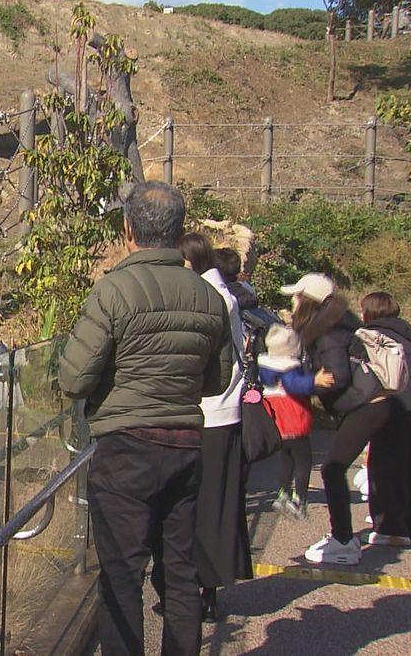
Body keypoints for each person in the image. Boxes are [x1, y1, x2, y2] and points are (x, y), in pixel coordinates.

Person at [59, 181, 230, 656]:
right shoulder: (207, 296)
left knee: (121, 575)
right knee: (179, 576)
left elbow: (74, 378)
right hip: (186, 445)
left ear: (127, 229)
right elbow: (217, 380)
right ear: (179, 233)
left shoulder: (113, 291)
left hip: (125, 448)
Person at [285, 273, 391, 566]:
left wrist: (307, 383)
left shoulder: (328, 331)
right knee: (338, 468)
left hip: (365, 405)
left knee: (332, 468)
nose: (292, 302)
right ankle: (346, 536)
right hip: (369, 403)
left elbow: (337, 375)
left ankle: (343, 540)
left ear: (308, 301)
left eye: (296, 296)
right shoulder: (339, 323)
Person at [181, 234, 252, 624]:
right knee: (218, 502)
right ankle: (207, 589)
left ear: (188, 263)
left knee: (202, 504)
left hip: (210, 412)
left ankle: (202, 590)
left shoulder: (209, 298)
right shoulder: (222, 293)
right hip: (224, 413)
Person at [359, 292, 411, 545]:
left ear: (369, 313)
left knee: (385, 469)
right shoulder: (405, 337)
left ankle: (389, 528)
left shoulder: (372, 336)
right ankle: (405, 524)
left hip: (396, 408)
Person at [260, 324, 334, 519]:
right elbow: (296, 386)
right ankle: (300, 498)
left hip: (277, 422)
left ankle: (283, 492)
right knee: (303, 460)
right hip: (293, 420)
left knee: (286, 459)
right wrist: (314, 382)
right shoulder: (288, 368)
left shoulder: (265, 367)